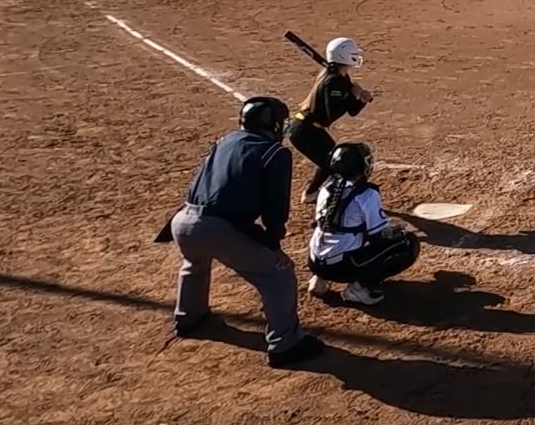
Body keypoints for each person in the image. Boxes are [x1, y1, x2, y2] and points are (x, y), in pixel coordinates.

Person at [163, 96, 324, 368]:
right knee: (278, 274)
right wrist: (273, 245)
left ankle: (189, 317)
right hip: (218, 227)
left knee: (195, 262)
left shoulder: (224, 140)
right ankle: (285, 345)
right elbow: (275, 208)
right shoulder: (274, 152)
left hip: (183, 222)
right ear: (273, 125)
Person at [305, 142, 421, 305]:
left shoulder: (326, 189)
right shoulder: (367, 194)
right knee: (407, 243)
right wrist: (395, 232)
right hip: (341, 268)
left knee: (339, 231)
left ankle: (319, 280)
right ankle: (359, 289)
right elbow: (378, 237)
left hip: (314, 262)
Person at [291, 36, 375, 202]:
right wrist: (353, 95)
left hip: (314, 128)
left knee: (333, 159)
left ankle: (316, 188)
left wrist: (361, 100)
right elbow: (331, 115)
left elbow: (352, 111)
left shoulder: (341, 78)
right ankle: (310, 194)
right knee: (331, 161)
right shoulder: (333, 82)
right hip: (304, 130)